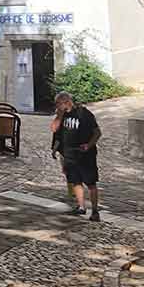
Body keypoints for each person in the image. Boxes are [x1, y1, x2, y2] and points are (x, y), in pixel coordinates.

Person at [51, 91, 102, 222]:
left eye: (58, 103)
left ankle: (95, 211)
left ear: (67, 101)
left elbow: (97, 132)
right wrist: (55, 149)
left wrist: (89, 145)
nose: (57, 106)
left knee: (90, 182)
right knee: (75, 181)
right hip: (69, 154)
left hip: (85, 154)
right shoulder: (61, 115)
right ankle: (81, 206)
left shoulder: (84, 114)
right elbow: (54, 130)